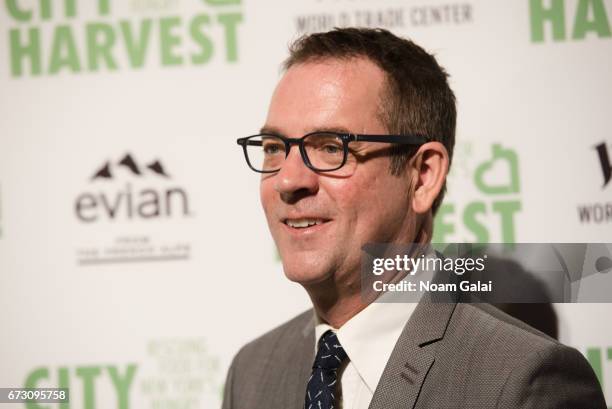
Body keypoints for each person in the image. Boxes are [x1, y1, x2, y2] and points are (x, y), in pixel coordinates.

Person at [224, 28, 606, 409]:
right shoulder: (253, 372)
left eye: (329, 148)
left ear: (422, 176)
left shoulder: (526, 380)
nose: (289, 180)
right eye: (274, 148)